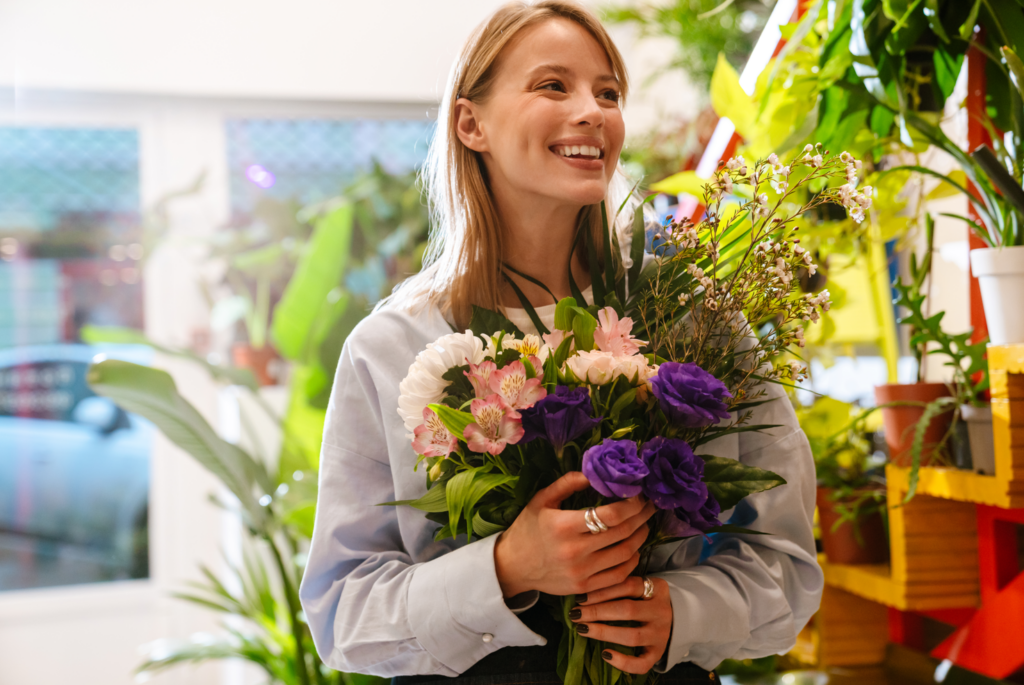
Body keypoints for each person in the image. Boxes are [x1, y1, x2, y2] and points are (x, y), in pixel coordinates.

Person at [298, 2, 823, 683]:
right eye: (554, 85)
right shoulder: (392, 346)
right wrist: (507, 568)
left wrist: (681, 610)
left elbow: (784, 559)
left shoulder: (697, 322)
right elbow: (344, 615)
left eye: (608, 93)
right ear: (470, 123)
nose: (594, 112)